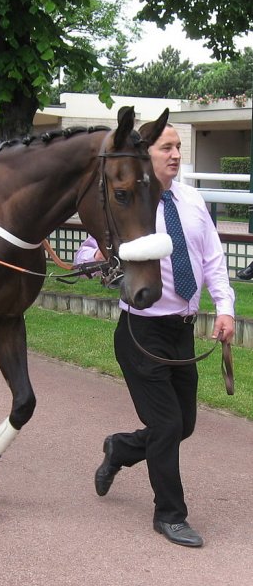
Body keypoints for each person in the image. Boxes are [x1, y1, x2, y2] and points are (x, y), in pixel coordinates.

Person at [78, 122, 235, 548]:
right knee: (166, 424)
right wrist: (95, 256)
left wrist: (225, 308)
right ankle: (170, 514)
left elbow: (212, 258)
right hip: (141, 332)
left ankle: (120, 449)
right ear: (145, 153)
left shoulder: (192, 199)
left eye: (179, 147)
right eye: (166, 147)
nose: (176, 154)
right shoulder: (130, 202)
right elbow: (88, 250)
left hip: (182, 331)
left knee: (183, 425)